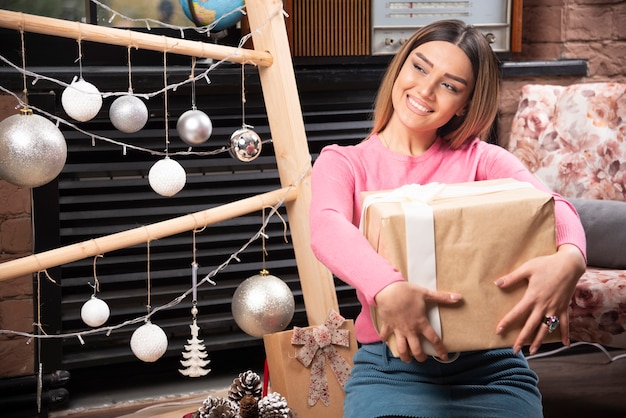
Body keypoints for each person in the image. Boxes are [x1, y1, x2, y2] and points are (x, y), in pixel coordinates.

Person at [309, 20, 586, 418]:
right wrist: (387, 287)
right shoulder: (345, 163)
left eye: (450, 85)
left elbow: (554, 205)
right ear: (401, 65)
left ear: (467, 104)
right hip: (391, 369)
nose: (425, 90)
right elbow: (326, 225)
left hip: (495, 366)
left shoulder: (482, 159)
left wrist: (571, 257)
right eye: (420, 68)